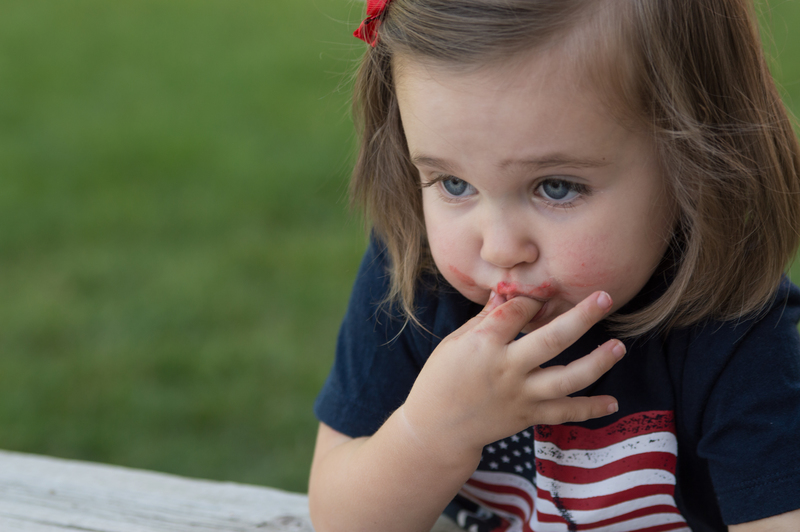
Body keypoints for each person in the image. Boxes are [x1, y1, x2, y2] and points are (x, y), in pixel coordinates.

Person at [308, 0, 800, 530]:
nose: (499, 249)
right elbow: (341, 518)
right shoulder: (413, 278)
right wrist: (430, 435)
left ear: (695, 162)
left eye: (556, 187)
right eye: (454, 184)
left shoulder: (733, 328)